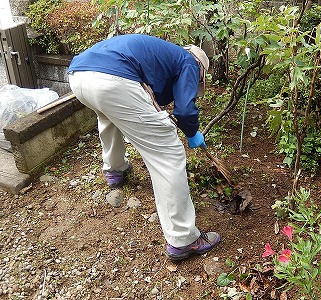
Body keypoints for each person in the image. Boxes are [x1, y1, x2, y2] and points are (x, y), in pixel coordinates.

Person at [67, 34, 220, 261]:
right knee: (168, 153)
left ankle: (115, 170)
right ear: (200, 68)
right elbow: (185, 111)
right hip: (113, 80)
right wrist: (192, 133)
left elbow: (149, 94)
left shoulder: (162, 54)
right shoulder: (190, 61)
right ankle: (183, 239)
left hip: (79, 76)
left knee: (109, 119)